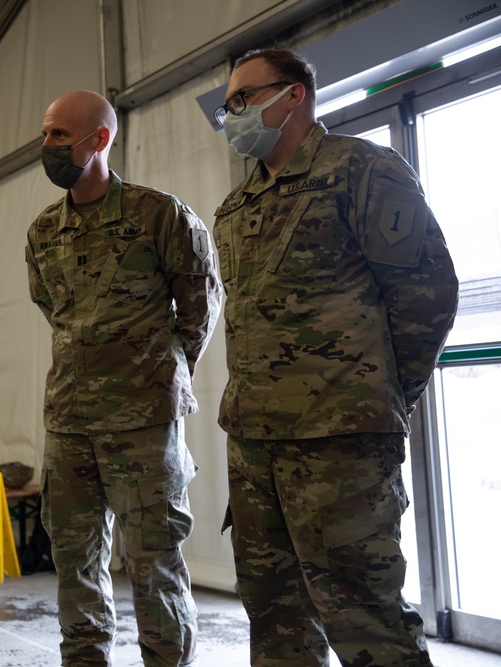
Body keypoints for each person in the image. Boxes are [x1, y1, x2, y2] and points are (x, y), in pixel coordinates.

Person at [212, 48, 459, 666]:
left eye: (243, 97)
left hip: (340, 441)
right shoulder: (234, 209)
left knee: (364, 615)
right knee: (273, 614)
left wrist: (378, 397)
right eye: (229, 102)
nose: (232, 111)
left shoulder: (363, 170)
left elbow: (425, 295)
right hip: (253, 443)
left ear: (294, 95)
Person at [25, 90, 222, 666]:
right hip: (69, 421)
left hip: (143, 423)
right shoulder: (42, 232)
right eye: (45, 134)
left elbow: (199, 307)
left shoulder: (160, 215)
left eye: (60, 135)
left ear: (99, 139)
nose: (48, 146)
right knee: (74, 561)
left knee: (154, 560)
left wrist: (157, 374)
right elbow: (54, 311)